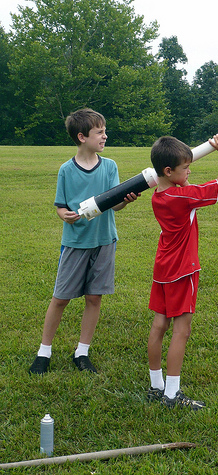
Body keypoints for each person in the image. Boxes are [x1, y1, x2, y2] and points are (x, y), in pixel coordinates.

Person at [29, 108, 139, 375]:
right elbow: (60, 206)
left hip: (104, 242)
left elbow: (113, 206)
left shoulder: (110, 166)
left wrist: (124, 201)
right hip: (76, 243)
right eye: (99, 132)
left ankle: (82, 352)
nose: (105, 136)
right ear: (82, 137)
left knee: (94, 298)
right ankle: (44, 352)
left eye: (104, 131)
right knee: (60, 299)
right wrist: (63, 215)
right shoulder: (66, 170)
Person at [147, 133, 218, 409]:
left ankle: (156, 385)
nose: (190, 171)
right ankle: (172, 394)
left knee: (159, 325)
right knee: (181, 331)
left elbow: (181, 186)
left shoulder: (159, 195)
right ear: (168, 171)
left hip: (163, 269)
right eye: (185, 168)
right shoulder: (182, 197)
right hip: (182, 271)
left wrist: (182, 178)